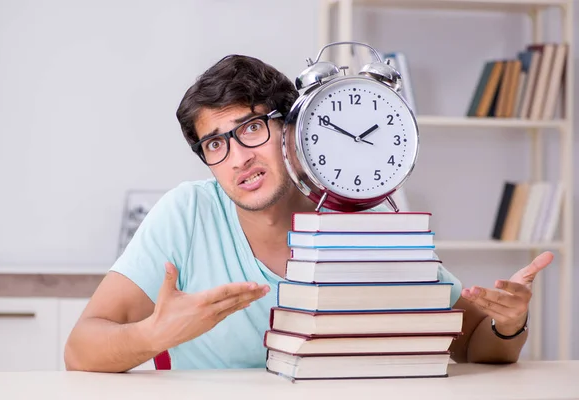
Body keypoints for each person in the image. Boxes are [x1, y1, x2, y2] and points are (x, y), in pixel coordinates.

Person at [64, 54, 554, 372]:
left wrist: (508, 323)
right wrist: (154, 335)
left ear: (295, 129)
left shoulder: (356, 220)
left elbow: (470, 344)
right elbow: (80, 348)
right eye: (216, 143)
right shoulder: (186, 213)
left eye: (251, 128)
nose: (238, 157)